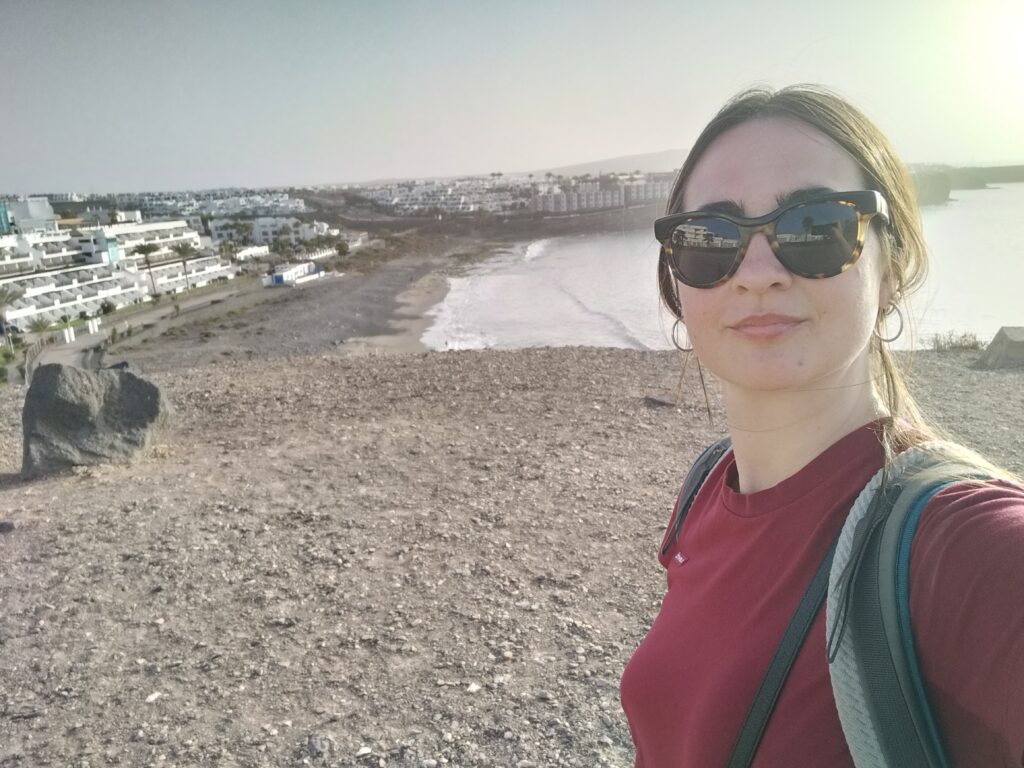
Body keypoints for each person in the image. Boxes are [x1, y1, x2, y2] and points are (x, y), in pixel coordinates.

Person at [619, 85, 1024, 767]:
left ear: (891, 268)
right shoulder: (705, 494)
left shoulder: (968, 550)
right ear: (678, 287)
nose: (757, 273)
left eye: (814, 228)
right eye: (711, 239)